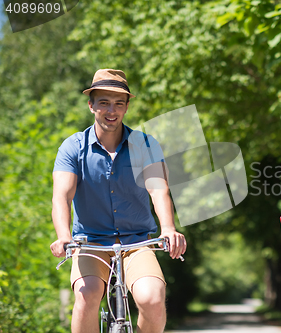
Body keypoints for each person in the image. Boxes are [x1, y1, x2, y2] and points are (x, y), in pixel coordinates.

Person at [50, 69, 187, 333]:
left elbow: (158, 190)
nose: (111, 110)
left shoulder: (145, 145)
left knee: (153, 298)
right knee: (87, 295)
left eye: (119, 104)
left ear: (126, 108)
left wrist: (168, 228)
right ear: (91, 105)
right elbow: (62, 196)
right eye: (104, 102)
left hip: (137, 242)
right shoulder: (72, 147)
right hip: (90, 242)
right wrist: (63, 235)